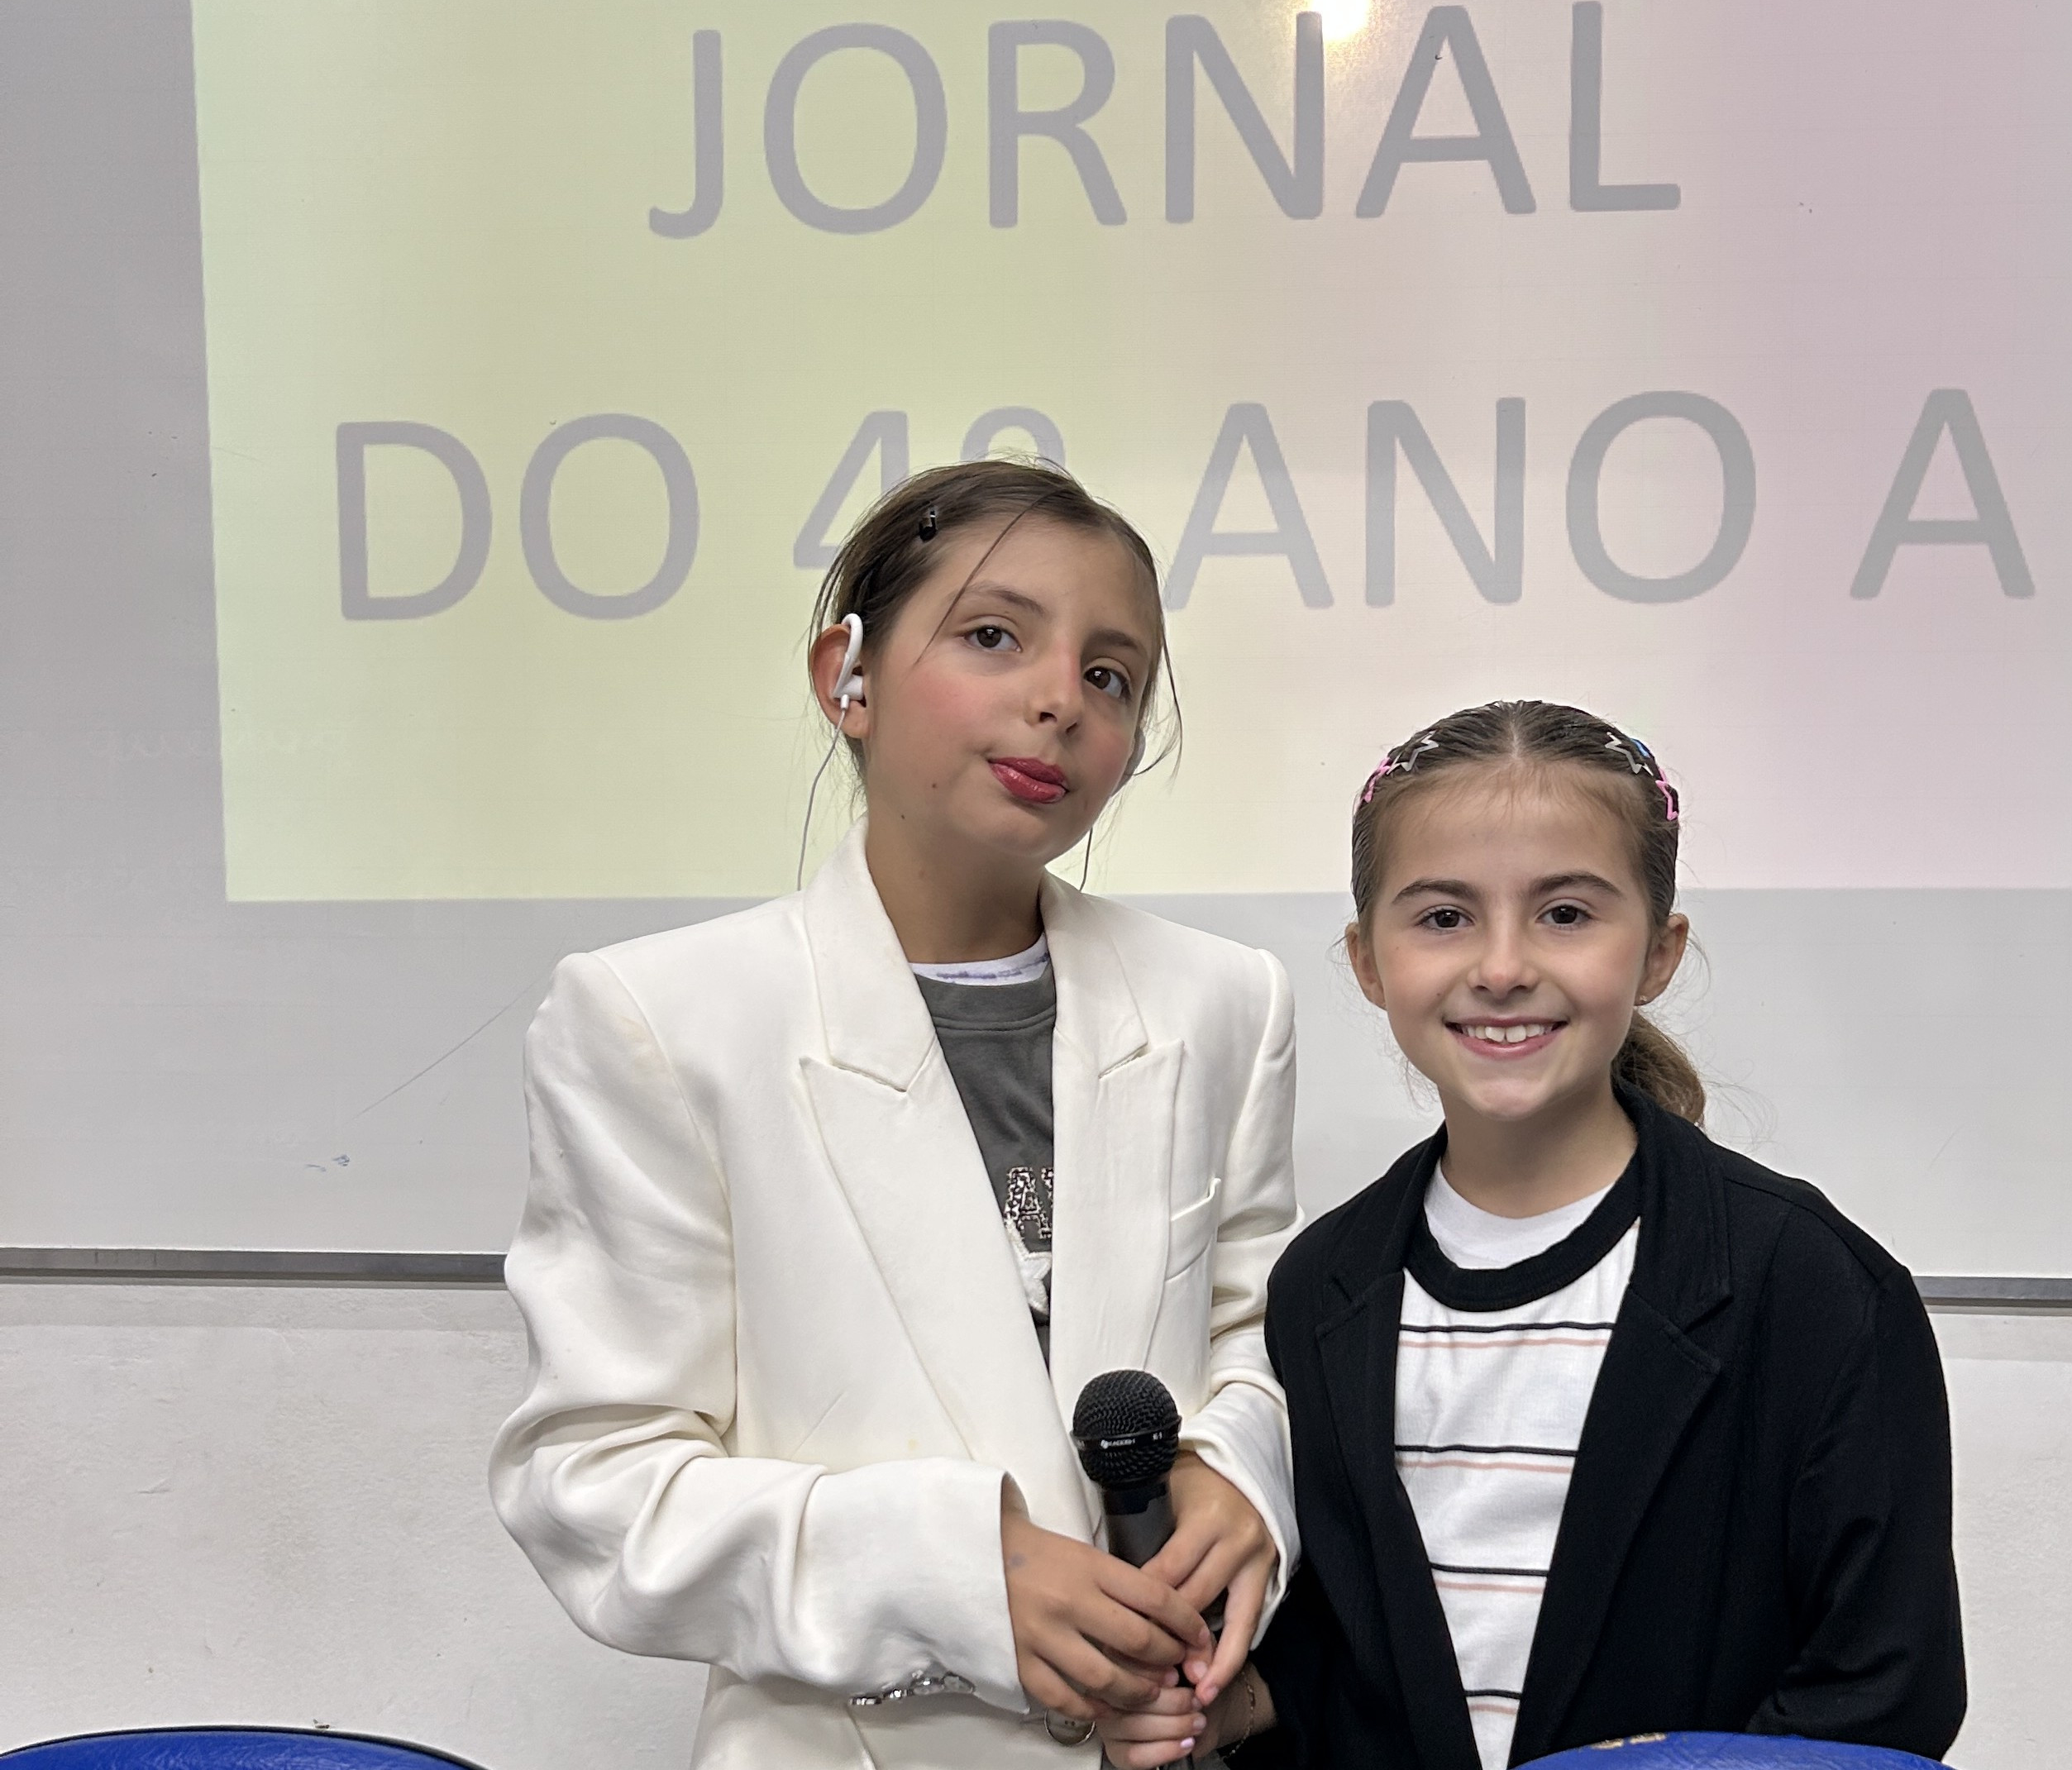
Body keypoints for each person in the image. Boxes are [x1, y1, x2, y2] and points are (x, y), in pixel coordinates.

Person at [489, 460, 1301, 1769]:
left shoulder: (1222, 1003)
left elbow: (1254, 1337)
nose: (1060, 698)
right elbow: (596, 1484)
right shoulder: (661, 1018)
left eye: (1111, 676)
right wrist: (957, 1573)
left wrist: (1237, 1475)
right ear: (847, 678)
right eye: (994, 636)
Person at [1105, 699, 1963, 1769]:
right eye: (1443, 917)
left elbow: (1887, 1693)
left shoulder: (1813, 1287)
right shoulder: (1324, 1286)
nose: (1503, 966)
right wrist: (1234, 1705)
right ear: (1367, 961)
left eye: (1565, 913)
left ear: (1658, 952)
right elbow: (1341, 1658)